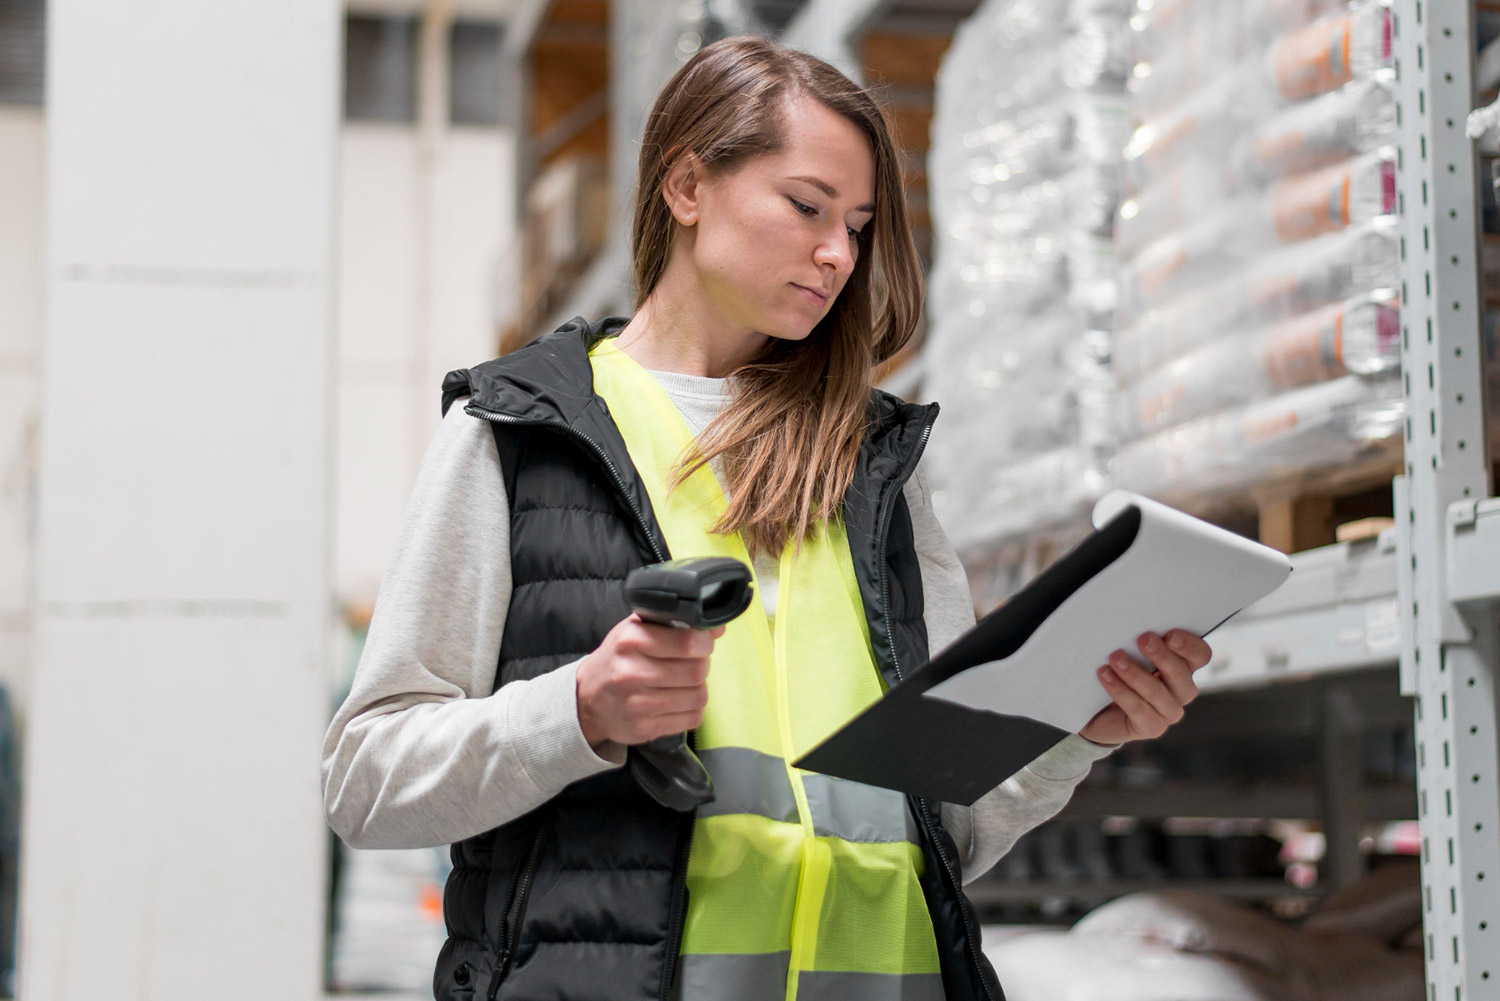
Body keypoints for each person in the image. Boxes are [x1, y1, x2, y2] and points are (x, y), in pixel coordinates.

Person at [321, 35, 1213, 1001]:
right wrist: (578, 709)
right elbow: (367, 780)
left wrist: (1078, 729)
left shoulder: (873, 466)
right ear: (687, 186)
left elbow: (947, 833)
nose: (838, 252)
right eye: (805, 206)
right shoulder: (521, 433)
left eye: (860, 224)